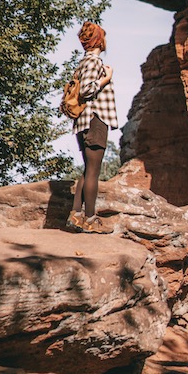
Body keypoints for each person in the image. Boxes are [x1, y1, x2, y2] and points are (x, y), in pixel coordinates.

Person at [66, 21, 118, 232]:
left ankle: (76, 216)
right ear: (98, 40)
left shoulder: (82, 62)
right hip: (94, 119)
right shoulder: (94, 62)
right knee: (94, 171)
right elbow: (87, 90)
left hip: (83, 121)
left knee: (88, 169)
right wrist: (106, 79)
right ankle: (90, 220)